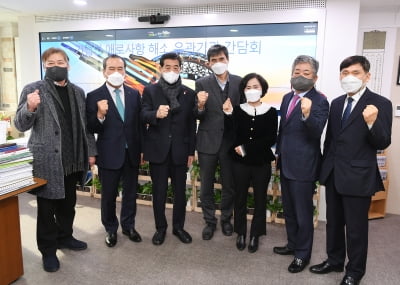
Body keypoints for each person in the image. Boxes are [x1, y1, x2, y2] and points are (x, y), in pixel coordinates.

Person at [309, 55, 392, 285]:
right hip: (334, 172)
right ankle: (334, 260)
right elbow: (332, 141)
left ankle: (355, 270)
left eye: (355, 73)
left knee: (356, 228)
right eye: (345, 73)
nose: (349, 78)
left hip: (358, 175)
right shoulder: (336, 103)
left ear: (367, 76)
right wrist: (324, 169)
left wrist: (372, 122)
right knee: (333, 222)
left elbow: (383, 141)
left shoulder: (380, 103)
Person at [14, 47, 97, 272]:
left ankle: (65, 237)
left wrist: (90, 152)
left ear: (68, 65)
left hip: (73, 159)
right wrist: (30, 107)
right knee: (46, 209)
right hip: (47, 160)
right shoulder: (33, 90)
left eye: (60, 62)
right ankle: (48, 250)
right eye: (50, 63)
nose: (56, 66)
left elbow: (85, 126)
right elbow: (20, 125)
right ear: (45, 66)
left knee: (68, 206)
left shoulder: (78, 92)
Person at [273, 55, 329, 273]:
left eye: (306, 73)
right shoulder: (287, 97)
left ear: (315, 77)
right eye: (297, 72)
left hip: (304, 166)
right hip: (286, 162)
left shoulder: (321, 100)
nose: (300, 76)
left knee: (303, 213)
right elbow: (284, 130)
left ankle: (302, 255)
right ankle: (292, 244)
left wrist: (307, 114)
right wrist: (278, 154)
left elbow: (316, 132)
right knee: (289, 210)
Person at [86, 54, 142, 248]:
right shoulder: (94, 96)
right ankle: (110, 228)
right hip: (109, 154)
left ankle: (128, 226)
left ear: (125, 71)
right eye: (111, 69)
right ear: (104, 72)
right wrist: (100, 114)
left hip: (131, 153)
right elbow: (91, 127)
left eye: (120, 69)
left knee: (130, 193)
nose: (116, 72)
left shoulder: (134, 94)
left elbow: (138, 125)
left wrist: (141, 149)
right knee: (109, 195)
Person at [141, 52, 196, 245]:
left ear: (180, 69)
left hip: (181, 151)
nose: (171, 71)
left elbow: (191, 124)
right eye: (167, 67)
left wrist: (191, 151)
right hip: (158, 150)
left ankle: (179, 227)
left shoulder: (189, 93)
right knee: (159, 192)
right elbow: (143, 114)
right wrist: (155, 114)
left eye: (175, 68)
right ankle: (160, 228)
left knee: (180, 193)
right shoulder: (150, 90)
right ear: (160, 68)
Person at [195, 44, 242, 240]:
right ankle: (209, 221)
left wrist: (232, 113)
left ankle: (225, 219)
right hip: (207, 140)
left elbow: (244, 113)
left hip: (230, 142)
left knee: (229, 184)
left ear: (227, 60)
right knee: (206, 184)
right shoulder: (202, 83)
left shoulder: (240, 82)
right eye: (213, 60)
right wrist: (200, 104)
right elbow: (198, 114)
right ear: (208, 63)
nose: (217, 63)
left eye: (221, 59)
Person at [230, 73, 277, 253]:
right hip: (239, 162)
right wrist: (227, 114)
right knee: (240, 197)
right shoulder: (237, 109)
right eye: (248, 87)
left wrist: (246, 148)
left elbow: (271, 138)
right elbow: (232, 134)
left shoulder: (271, 111)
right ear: (243, 90)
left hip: (261, 162)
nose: (252, 90)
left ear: (262, 89)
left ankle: (255, 234)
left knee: (260, 198)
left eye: (255, 87)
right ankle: (240, 232)